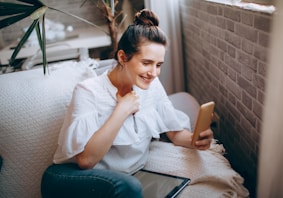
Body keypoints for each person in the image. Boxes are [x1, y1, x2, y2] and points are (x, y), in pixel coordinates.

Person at [45, 9, 213, 198]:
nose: (154, 73)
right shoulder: (88, 91)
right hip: (71, 177)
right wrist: (122, 110)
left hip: (122, 181)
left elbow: (174, 132)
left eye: (158, 65)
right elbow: (86, 160)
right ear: (123, 57)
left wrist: (196, 140)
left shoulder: (152, 85)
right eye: (146, 63)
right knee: (129, 186)